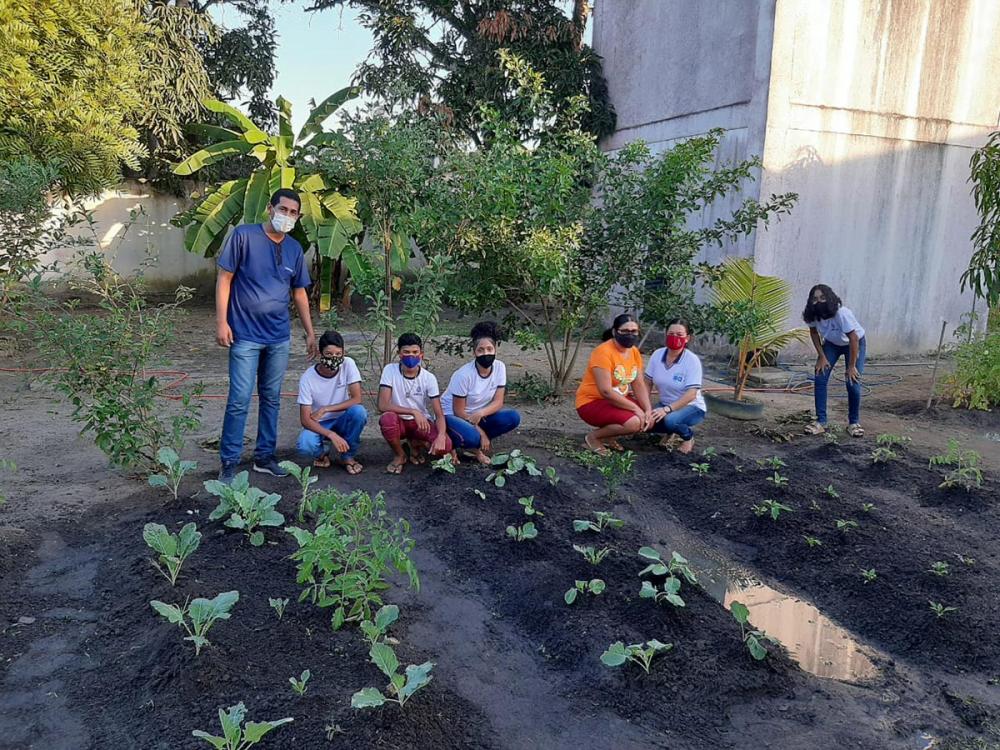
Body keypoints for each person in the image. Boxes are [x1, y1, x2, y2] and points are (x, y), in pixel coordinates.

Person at [215, 188, 318, 483]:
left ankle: (264, 457)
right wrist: (221, 322)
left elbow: (299, 292)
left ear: (298, 217)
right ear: (270, 209)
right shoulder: (243, 236)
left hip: (278, 337)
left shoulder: (294, 250)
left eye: (293, 213)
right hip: (245, 335)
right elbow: (224, 278)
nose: (287, 216)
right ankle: (230, 461)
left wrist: (310, 333)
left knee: (271, 398)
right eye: (283, 210)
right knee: (239, 399)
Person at [441, 321, 521, 464]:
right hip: (451, 415)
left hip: (476, 415)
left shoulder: (500, 368)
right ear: (474, 352)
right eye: (481, 350)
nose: (486, 354)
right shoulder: (463, 375)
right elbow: (458, 411)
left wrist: (480, 414)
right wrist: (481, 432)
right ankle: (470, 445)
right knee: (474, 437)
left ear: (495, 349)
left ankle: (472, 441)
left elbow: (498, 402)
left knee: (513, 417)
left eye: (490, 349)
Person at [575, 313, 654, 454]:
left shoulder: (634, 352)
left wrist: (647, 409)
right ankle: (593, 438)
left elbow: (639, 384)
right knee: (635, 422)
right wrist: (636, 409)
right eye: (625, 331)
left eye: (634, 331)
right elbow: (605, 391)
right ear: (614, 331)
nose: (630, 335)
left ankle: (608, 437)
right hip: (592, 402)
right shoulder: (603, 352)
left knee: (649, 420)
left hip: (617, 400)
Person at [294, 330, 368, 474]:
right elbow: (305, 420)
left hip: (341, 418)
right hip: (319, 423)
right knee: (305, 445)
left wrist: (325, 409)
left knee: (359, 412)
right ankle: (322, 453)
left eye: (338, 354)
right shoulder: (307, 378)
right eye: (328, 354)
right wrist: (331, 434)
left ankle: (348, 456)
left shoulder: (348, 364)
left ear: (343, 353)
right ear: (320, 354)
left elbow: (357, 398)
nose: (334, 358)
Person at [378, 333, 452, 474]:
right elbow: (383, 405)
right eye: (406, 352)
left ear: (421, 354)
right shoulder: (390, 370)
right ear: (399, 353)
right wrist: (413, 411)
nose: (410, 356)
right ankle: (400, 455)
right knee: (387, 419)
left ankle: (415, 443)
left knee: (446, 446)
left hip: (420, 424)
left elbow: (439, 414)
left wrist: (442, 435)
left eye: (414, 352)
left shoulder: (429, 378)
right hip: (398, 421)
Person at [802, 284, 866, 437]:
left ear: (829, 297)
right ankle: (821, 422)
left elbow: (853, 338)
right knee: (820, 376)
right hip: (831, 344)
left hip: (854, 344)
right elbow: (814, 333)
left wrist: (851, 366)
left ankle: (853, 423)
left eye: (823, 298)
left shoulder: (841, 313)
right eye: (815, 299)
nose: (819, 302)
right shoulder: (812, 314)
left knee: (852, 381)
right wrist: (822, 357)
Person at [643, 319, 707, 454]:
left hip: (692, 407)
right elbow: (647, 382)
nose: (675, 337)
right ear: (666, 335)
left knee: (670, 420)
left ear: (687, 338)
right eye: (671, 333)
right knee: (644, 423)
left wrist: (666, 409)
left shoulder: (691, 360)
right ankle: (670, 431)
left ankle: (688, 437)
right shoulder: (657, 354)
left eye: (679, 334)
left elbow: (691, 394)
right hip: (665, 404)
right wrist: (646, 408)